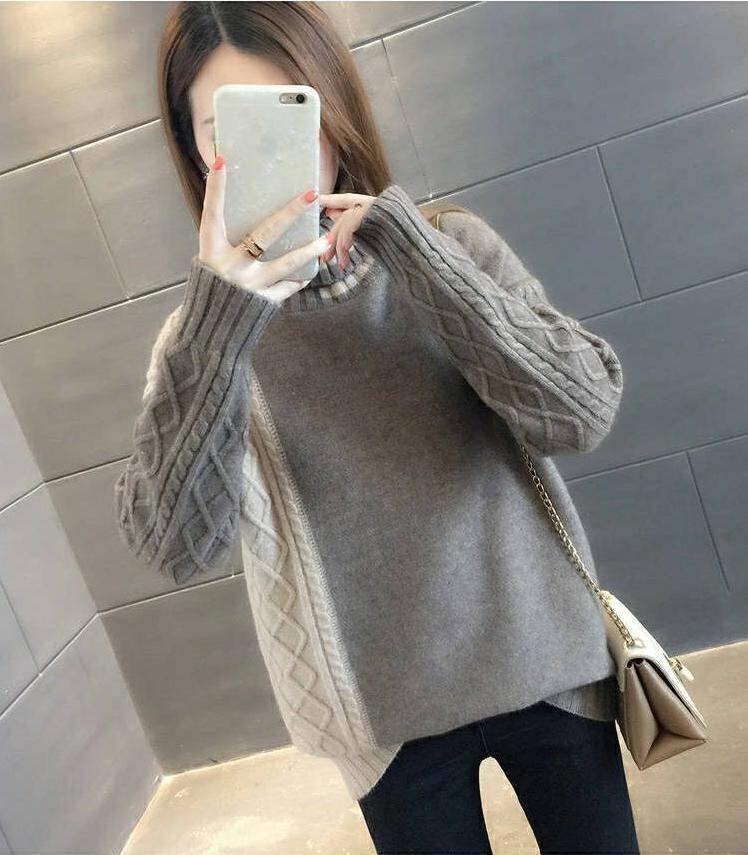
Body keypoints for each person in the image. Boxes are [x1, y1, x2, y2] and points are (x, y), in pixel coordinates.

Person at [114, 2, 640, 852]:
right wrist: (220, 325)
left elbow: (580, 413)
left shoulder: (450, 245)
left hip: (548, 666)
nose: (278, 151)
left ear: (336, 104)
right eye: (228, 131)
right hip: (385, 728)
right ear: (195, 151)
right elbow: (173, 543)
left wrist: (415, 253)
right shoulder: (200, 342)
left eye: (294, 109)